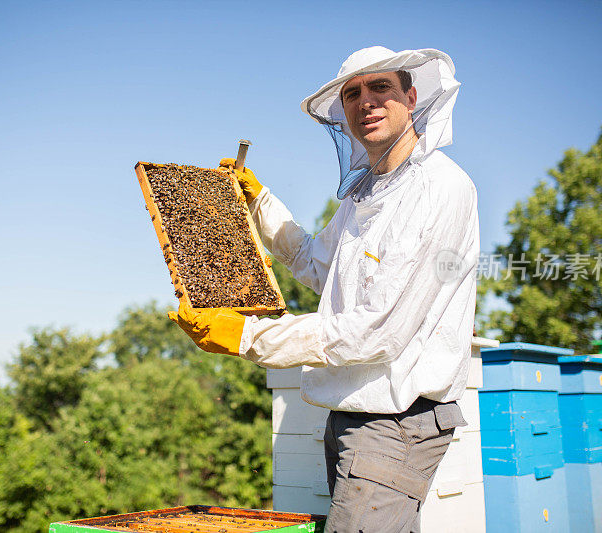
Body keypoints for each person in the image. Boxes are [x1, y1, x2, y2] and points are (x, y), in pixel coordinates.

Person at [170, 46, 479, 533]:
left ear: (412, 97)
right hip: (352, 415)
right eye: (352, 94)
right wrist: (261, 205)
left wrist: (249, 336)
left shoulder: (441, 188)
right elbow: (318, 265)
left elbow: (377, 332)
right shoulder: (366, 195)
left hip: (397, 422)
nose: (366, 103)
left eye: (381, 88)